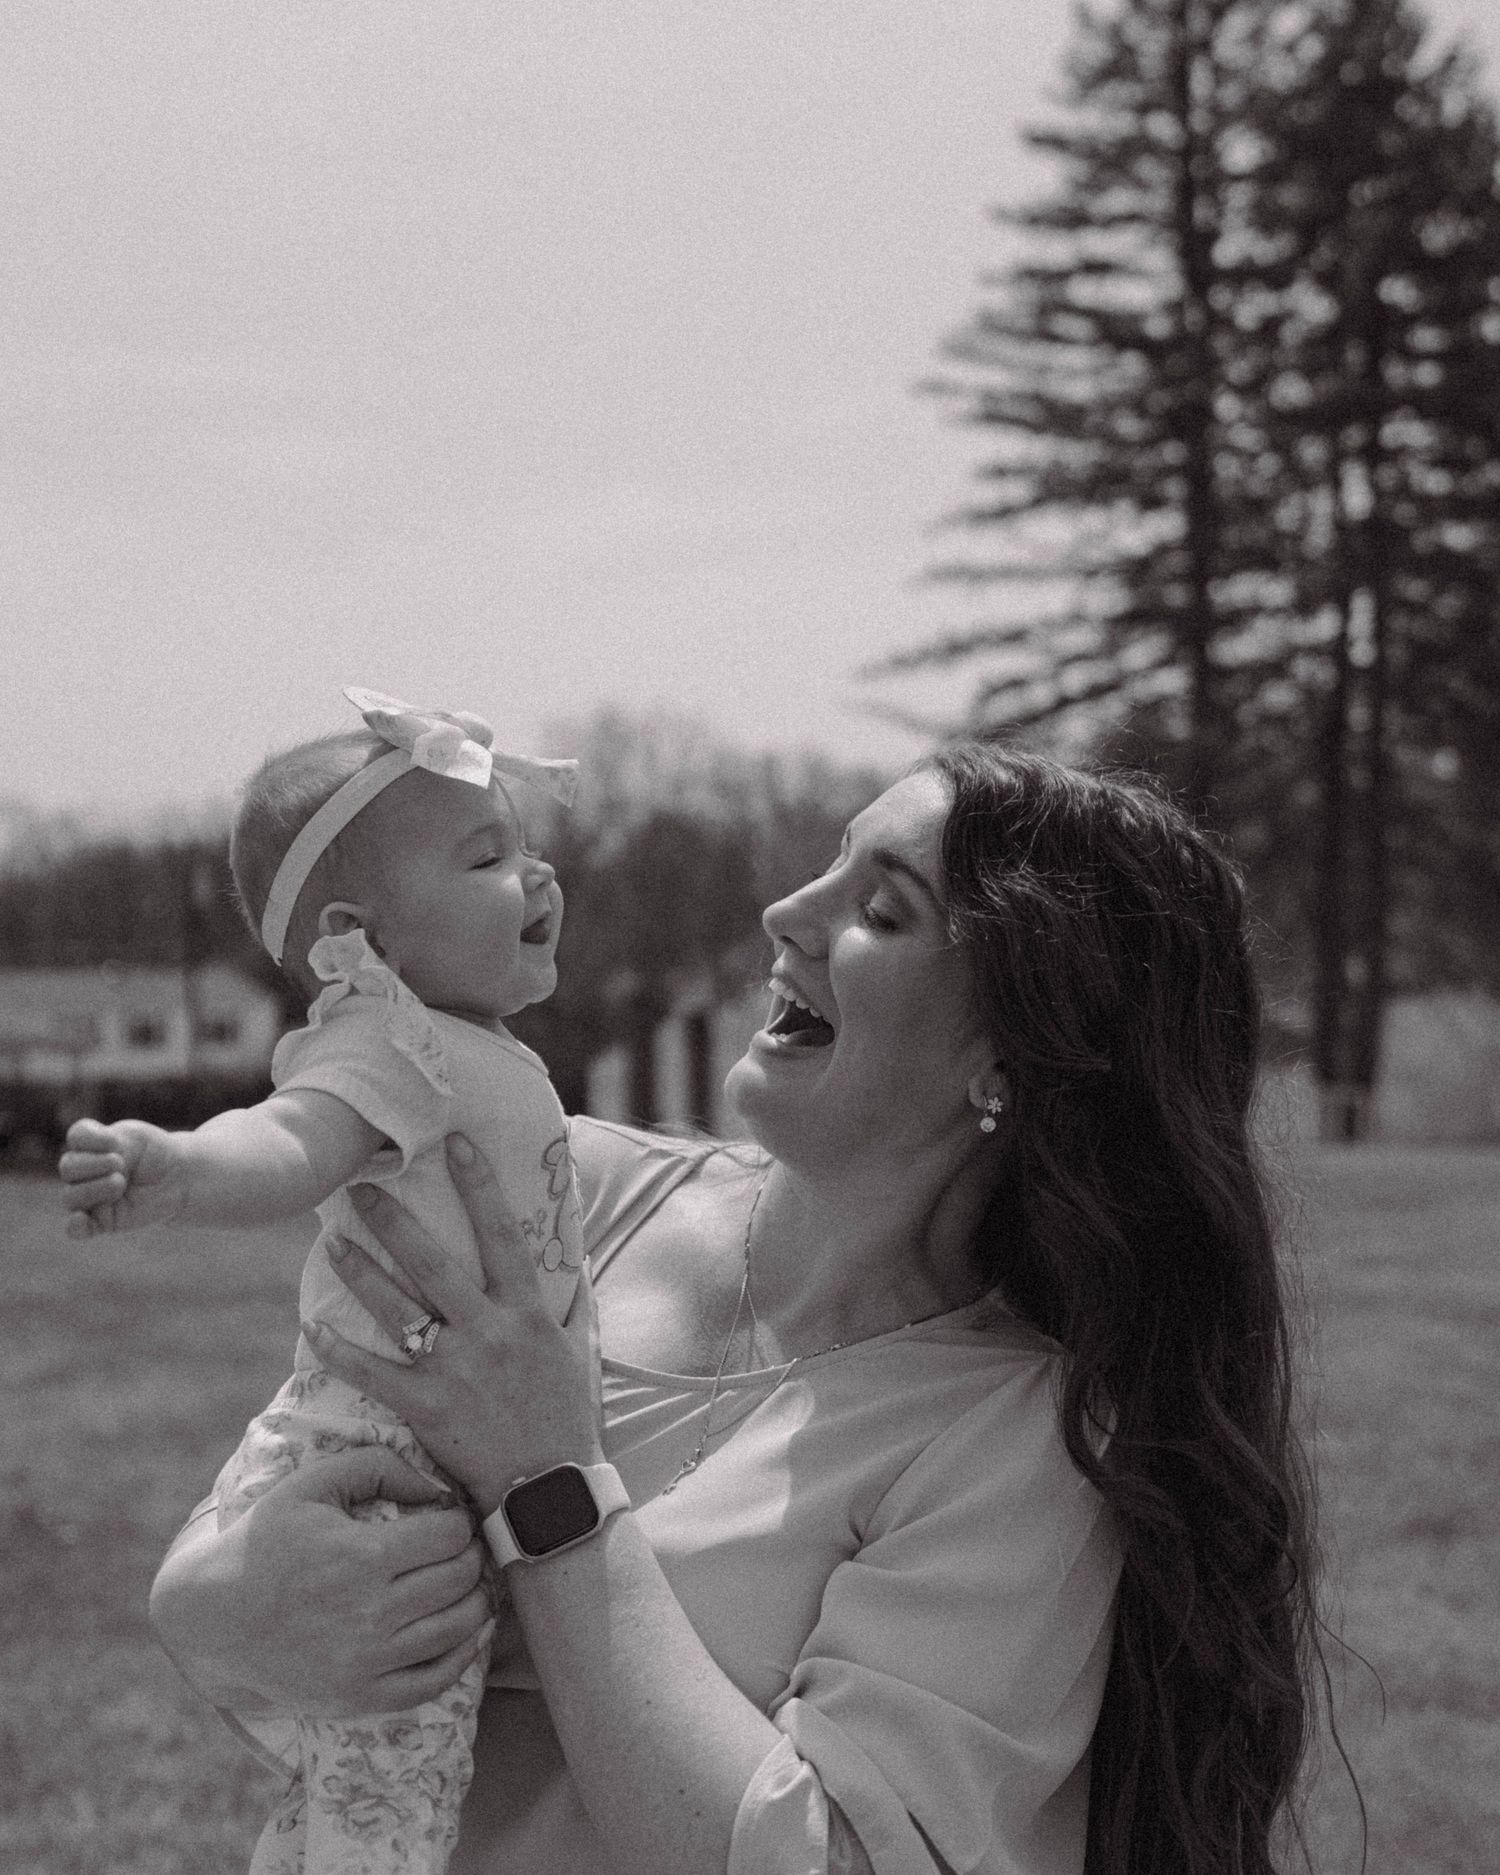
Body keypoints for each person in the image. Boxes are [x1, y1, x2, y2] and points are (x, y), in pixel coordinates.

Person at [147, 745, 1324, 1875]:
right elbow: (293, 1467)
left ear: (1015, 1052)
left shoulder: (1021, 1439)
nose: (787, 913)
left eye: (885, 909)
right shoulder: (554, 1189)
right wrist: (212, 1602)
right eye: (828, 859)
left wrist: (548, 1482)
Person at [59, 688, 583, 1875]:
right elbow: (296, 1137)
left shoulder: (471, 1048)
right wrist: (186, 1166)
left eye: (526, 846)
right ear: (365, 937)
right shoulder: (385, 1036)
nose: (538, 876)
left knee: (383, 1775)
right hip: (379, 1478)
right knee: (394, 1788)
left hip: (440, 1456)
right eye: (489, 856)